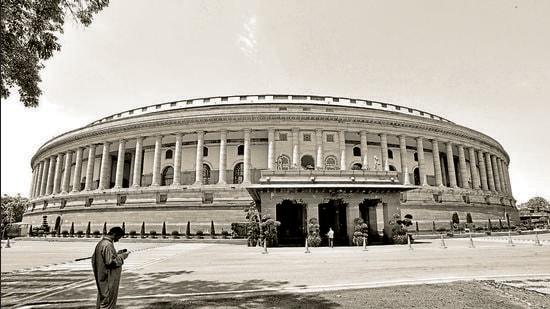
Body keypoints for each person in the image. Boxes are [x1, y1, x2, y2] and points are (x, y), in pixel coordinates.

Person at [92, 226, 130, 308]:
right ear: (115, 234)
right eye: (119, 237)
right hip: (108, 279)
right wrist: (122, 256)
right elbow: (111, 263)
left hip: (102, 277)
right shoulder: (108, 245)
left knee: (103, 300)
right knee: (108, 302)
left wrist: (116, 254)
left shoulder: (102, 243)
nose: (118, 240)